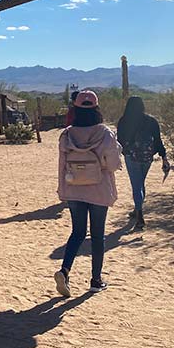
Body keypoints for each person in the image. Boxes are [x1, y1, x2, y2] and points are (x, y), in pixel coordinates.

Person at [55, 90, 122, 297]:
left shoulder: (67, 134)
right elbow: (113, 164)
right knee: (97, 235)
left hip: (74, 188)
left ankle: (65, 270)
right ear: (96, 108)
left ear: (75, 109)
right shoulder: (105, 133)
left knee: (77, 232)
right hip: (99, 189)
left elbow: (62, 165)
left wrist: (62, 189)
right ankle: (96, 279)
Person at [116, 97, 169, 230]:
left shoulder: (124, 121)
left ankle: (139, 215)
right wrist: (163, 156)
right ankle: (137, 209)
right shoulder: (151, 121)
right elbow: (158, 140)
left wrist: (125, 152)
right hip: (147, 157)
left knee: (136, 184)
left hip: (131, 156)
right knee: (140, 182)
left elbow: (119, 140)